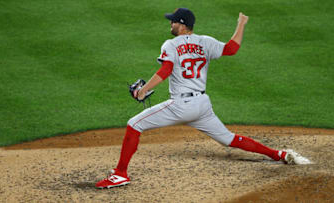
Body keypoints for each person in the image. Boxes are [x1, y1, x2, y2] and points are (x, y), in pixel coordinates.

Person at [96, 8, 310, 189]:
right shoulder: (205, 42)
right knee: (229, 139)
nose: (170, 24)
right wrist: (241, 23)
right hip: (202, 105)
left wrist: (143, 91)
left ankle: (121, 174)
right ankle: (279, 154)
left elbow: (166, 70)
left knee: (134, 124)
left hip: (180, 106)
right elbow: (231, 49)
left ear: (182, 25)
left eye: (173, 21)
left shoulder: (170, 45)